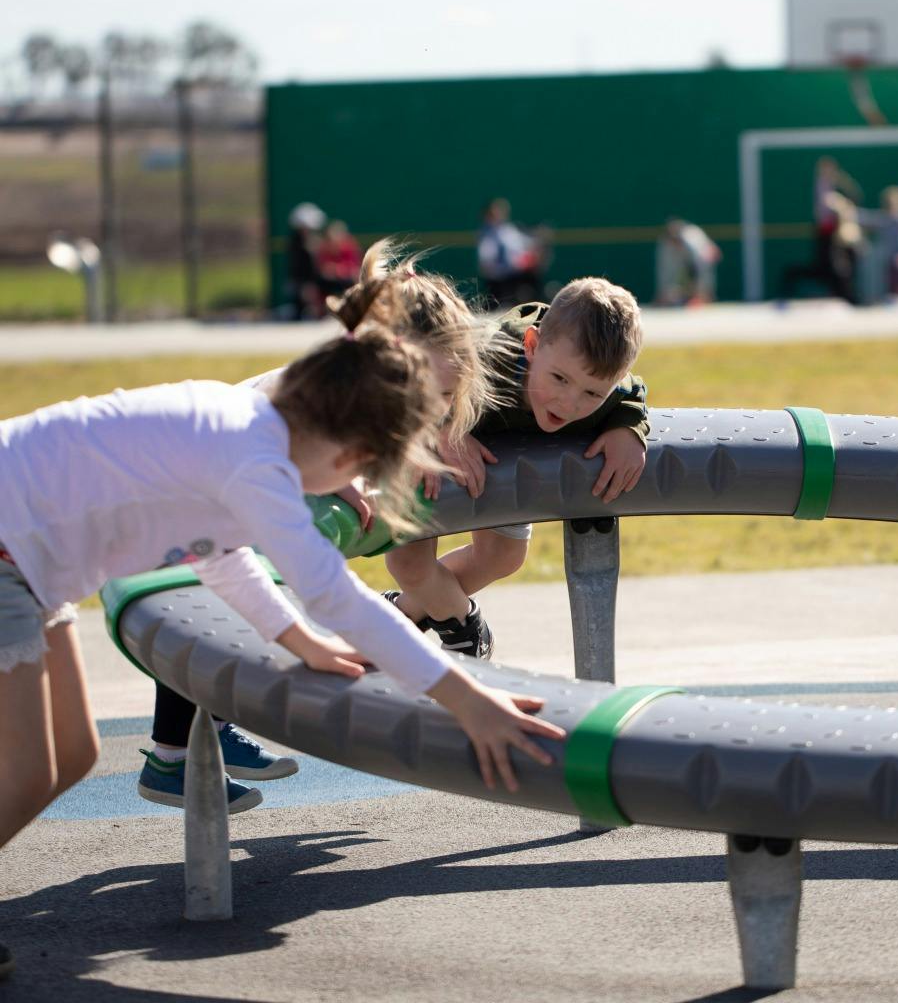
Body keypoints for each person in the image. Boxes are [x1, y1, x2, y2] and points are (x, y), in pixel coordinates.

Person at [0, 291, 565, 979]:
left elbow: (217, 553)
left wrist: (299, 641)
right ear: (351, 450)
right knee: (28, 768)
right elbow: (338, 595)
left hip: (32, 561)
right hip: (8, 551)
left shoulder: (250, 429)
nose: (350, 488)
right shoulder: (256, 464)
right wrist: (465, 699)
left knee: (75, 754)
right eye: (361, 474)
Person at [137, 240, 499, 811]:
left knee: (232, 604)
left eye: (446, 397)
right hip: (185, 495)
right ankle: (172, 756)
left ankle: (201, 734)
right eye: (420, 393)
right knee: (227, 603)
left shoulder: (371, 391)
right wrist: (337, 482)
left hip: (206, 493)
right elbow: (274, 444)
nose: (429, 409)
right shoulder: (320, 395)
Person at [383, 278, 649, 656]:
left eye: (592, 393)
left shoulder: (604, 387)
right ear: (532, 345)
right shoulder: (484, 360)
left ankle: (399, 615)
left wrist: (629, 428)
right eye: (559, 379)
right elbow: (416, 380)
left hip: (500, 458)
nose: (569, 403)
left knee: (503, 558)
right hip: (435, 446)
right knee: (407, 562)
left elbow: (632, 393)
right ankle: (466, 632)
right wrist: (443, 430)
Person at [778, 157, 864, 306]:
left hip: (835, 236)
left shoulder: (833, 187)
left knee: (837, 267)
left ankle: (845, 296)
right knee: (829, 267)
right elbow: (831, 206)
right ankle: (846, 297)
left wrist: (843, 181)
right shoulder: (824, 188)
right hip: (826, 234)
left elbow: (855, 195)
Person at [477, 198, 549, 308]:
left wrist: (537, 242)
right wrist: (510, 267)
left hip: (516, 275)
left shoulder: (508, 229)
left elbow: (525, 246)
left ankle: (540, 303)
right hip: (501, 279)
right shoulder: (487, 235)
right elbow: (487, 264)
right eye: (494, 212)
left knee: (533, 277)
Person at [655, 217, 721, 307]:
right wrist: (664, 292)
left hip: (704, 258)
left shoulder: (691, 240)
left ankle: (703, 298)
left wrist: (698, 293)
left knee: (704, 277)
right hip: (693, 262)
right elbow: (666, 272)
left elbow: (696, 268)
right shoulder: (666, 245)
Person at [286, 201, 327, 320]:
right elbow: (300, 269)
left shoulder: (312, 240)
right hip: (303, 281)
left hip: (313, 279)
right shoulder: (297, 244)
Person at [314, 219, 363, 299]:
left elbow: (354, 271)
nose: (334, 242)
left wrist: (336, 269)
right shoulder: (324, 250)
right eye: (330, 239)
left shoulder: (349, 248)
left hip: (347, 285)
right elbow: (323, 271)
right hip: (329, 288)